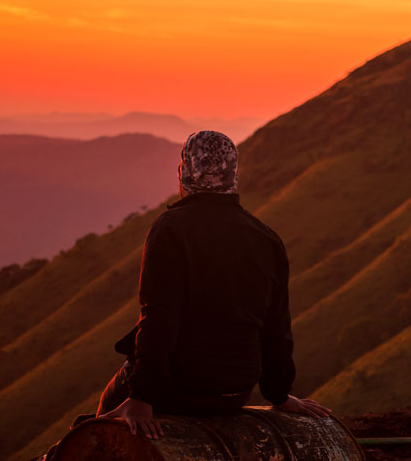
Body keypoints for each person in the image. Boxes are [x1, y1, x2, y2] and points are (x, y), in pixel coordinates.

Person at [97, 130, 330, 439]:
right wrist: (280, 395)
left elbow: (158, 317)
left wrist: (142, 398)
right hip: (235, 391)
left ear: (183, 173)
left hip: (179, 387)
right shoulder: (265, 238)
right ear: (233, 174)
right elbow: (277, 326)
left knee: (99, 424)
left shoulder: (171, 229)